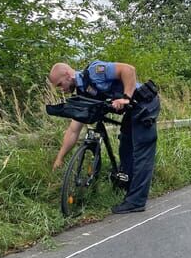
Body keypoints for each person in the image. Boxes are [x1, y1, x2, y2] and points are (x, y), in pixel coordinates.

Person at [48, 60, 160, 214]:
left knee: (141, 151)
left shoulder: (95, 72)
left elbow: (128, 70)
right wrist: (59, 159)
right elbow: (73, 130)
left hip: (144, 103)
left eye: (60, 84)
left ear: (68, 75)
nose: (62, 90)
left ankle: (136, 201)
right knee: (125, 146)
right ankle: (127, 185)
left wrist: (126, 97)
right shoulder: (83, 93)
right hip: (132, 109)